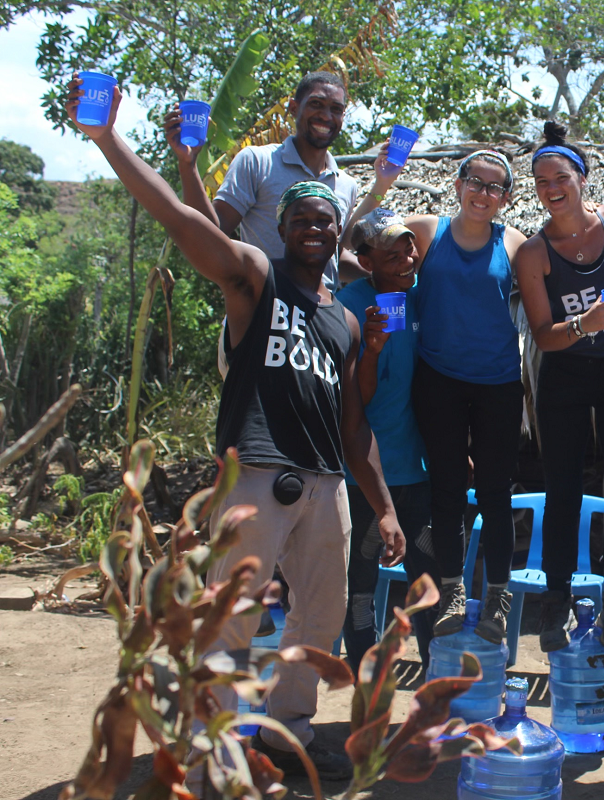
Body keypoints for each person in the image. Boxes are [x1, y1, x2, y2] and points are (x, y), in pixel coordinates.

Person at [69, 78, 404, 782]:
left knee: (320, 620)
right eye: (301, 221)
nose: (315, 229)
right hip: (256, 469)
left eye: (326, 222)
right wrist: (108, 140)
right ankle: (209, 745)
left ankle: (289, 733)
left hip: (323, 484)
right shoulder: (255, 279)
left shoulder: (343, 322)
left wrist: (384, 505)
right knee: (234, 616)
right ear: (280, 231)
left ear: (339, 235)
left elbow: (354, 424)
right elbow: (180, 221)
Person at [353, 149, 527, 645]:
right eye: (475, 181)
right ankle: (452, 588)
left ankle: (497, 593)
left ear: (506, 198)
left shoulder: (513, 243)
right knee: (447, 490)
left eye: (495, 187)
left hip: (498, 382)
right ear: (457, 183)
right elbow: (366, 238)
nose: (483, 192)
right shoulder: (426, 232)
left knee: (496, 493)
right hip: (439, 379)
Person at [514, 121, 604, 653]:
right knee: (563, 490)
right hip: (565, 374)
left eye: (561, 176)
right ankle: (555, 601)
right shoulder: (532, 253)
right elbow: (545, 338)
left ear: (581, 177)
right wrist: (585, 324)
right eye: (540, 180)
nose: (551, 187)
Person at [336, 207, 438, 673]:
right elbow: (356, 401)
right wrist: (371, 350)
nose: (405, 261)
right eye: (390, 255)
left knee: (428, 581)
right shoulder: (347, 307)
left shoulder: (421, 297)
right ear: (365, 261)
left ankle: (437, 678)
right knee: (360, 584)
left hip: (415, 468)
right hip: (363, 474)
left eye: (408, 249)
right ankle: (366, 684)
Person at [164, 70, 364, 292]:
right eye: (316, 104)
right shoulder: (258, 162)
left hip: (321, 316)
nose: (326, 116)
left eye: (336, 109)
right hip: (263, 307)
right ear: (294, 108)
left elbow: (333, 256)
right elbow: (212, 233)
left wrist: (378, 275)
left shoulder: (346, 184)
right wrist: (188, 165)